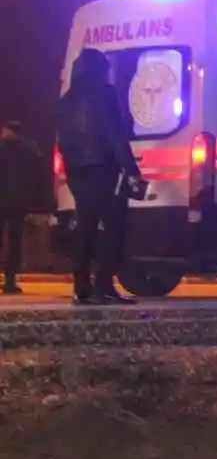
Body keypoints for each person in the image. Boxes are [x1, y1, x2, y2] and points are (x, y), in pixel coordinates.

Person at [54, 49, 141, 305]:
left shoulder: (65, 101)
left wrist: (69, 170)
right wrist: (131, 169)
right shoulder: (105, 94)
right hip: (104, 168)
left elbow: (64, 142)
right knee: (115, 226)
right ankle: (104, 284)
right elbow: (115, 135)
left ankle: (82, 288)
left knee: (85, 226)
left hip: (77, 171)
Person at [0, 120, 43, 295]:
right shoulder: (31, 149)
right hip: (19, 202)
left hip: (5, 200)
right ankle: (10, 281)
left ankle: (10, 281)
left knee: (12, 242)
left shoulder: (2, 148)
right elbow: (38, 176)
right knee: (15, 242)